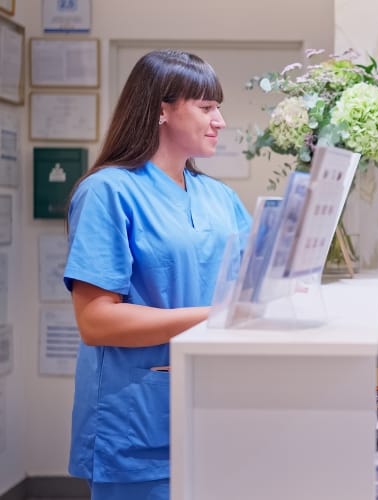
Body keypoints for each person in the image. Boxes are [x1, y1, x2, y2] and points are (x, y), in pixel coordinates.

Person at [64, 50, 251, 499]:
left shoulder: (219, 197)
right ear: (161, 109)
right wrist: (213, 315)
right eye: (206, 107)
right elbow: (96, 322)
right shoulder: (107, 193)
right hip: (135, 426)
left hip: (216, 414)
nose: (220, 120)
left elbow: (250, 286)